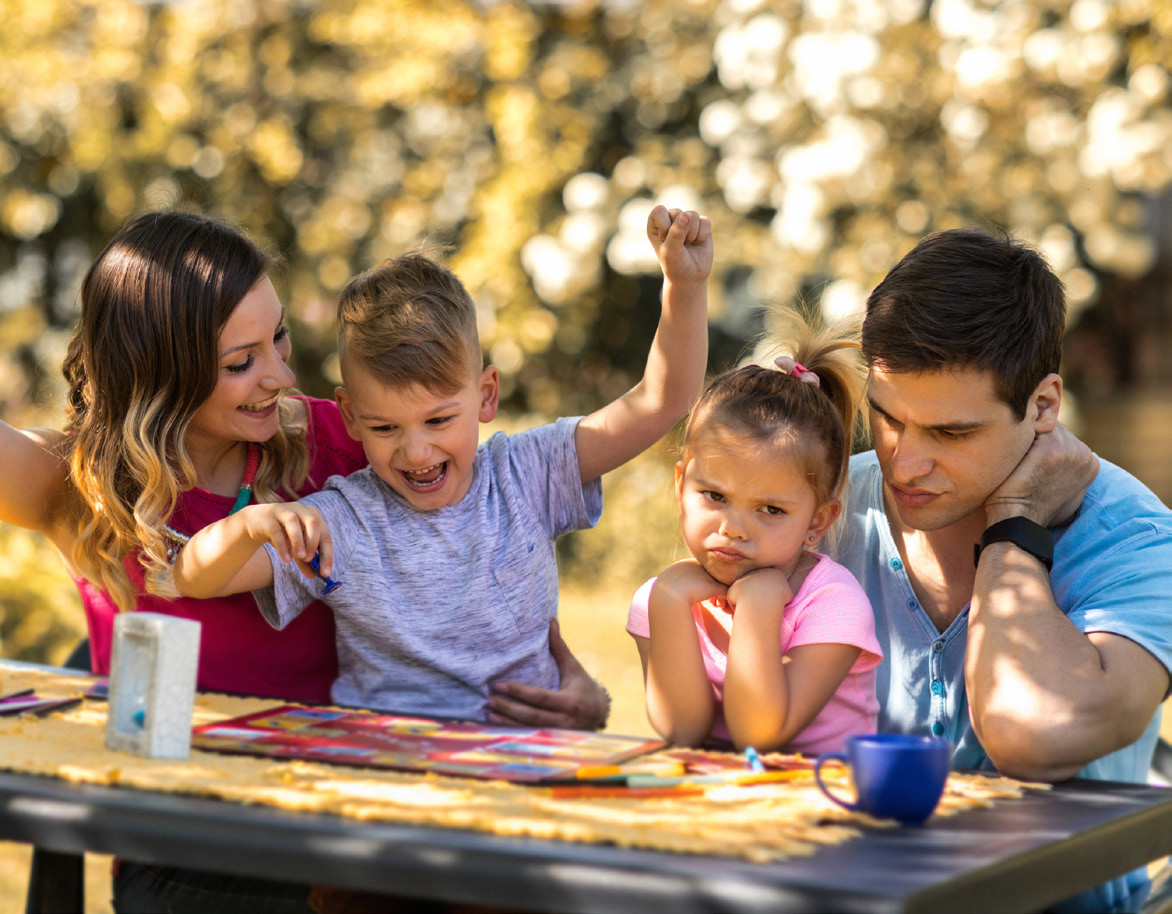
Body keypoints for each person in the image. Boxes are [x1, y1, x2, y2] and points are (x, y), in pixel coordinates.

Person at [0, 209, 609, 913]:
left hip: (355, 830)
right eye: (242, 362)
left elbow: (487, 547)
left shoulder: (343, 443)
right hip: (194, 855)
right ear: (159, 371)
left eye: (279, 337)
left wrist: (577, 689)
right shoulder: (80, 485)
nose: (282, 374)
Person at [172, 205, 712, 722]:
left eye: (437, 421)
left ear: (485, 396)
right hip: (389, 768)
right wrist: (246, 527)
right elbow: (192, 579)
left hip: (525, 755)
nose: (416, 452)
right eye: (385, 428)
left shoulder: (528, 472)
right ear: (351, 417)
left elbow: (658, 402)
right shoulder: (343, 519)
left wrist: (683, 289)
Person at [836, 227, 1172, 913]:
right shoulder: (821, 511)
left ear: (1043, 406)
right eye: (886, 418)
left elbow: (1034, 736)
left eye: (951, 433)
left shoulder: (1139, 542)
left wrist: (1015, 524)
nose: (904, 464)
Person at [626, 310, 882, 753]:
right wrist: (667, 600)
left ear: (817, 521)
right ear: (680, 486)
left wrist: (759, 607)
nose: (733, 529)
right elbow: (683, 732)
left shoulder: (835, 605)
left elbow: (757, 734)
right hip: (724, 804)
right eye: (715, 496)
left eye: (770, 509)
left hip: (826, 803)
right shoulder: (667, 596)